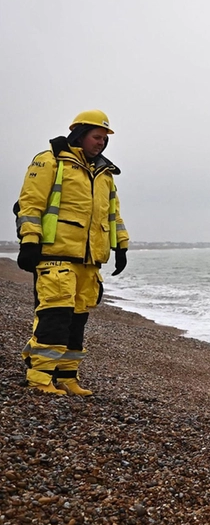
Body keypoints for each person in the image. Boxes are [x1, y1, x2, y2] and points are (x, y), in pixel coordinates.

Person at [15, 110, 128, 396]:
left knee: (77, 322)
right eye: (96, 136)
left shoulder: (103, 173)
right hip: (56, 255)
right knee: (54, 317)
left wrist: (121, 245)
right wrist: (29, 241)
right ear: (79, 134)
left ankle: (67, 377)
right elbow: (30, 203)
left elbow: (112, 214)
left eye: (104, 138)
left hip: (89, 263)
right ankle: (40, 377)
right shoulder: (50, 160)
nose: (101, 143)